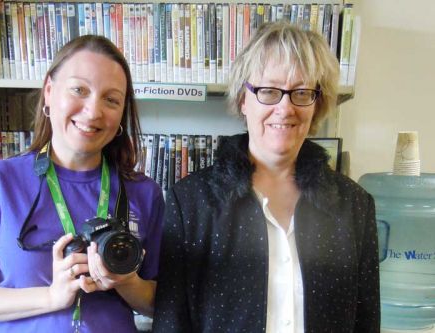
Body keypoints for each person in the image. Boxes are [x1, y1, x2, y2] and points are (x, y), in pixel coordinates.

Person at [153, 22, 380, 333]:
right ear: (244, 99)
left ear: (317, 103)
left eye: (301, 92)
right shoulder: (191, 202)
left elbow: (366, 322)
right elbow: (172, 323)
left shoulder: (355, 206)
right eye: (269, 91)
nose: (285, 108)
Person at [0, 35, 164, 332]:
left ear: (121, 113)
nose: (93, 111)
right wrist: (52, 297)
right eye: (79, 90)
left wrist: (127, 282)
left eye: (111, 99)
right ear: (49, 91)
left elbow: (160, 302)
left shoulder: (144, 193)